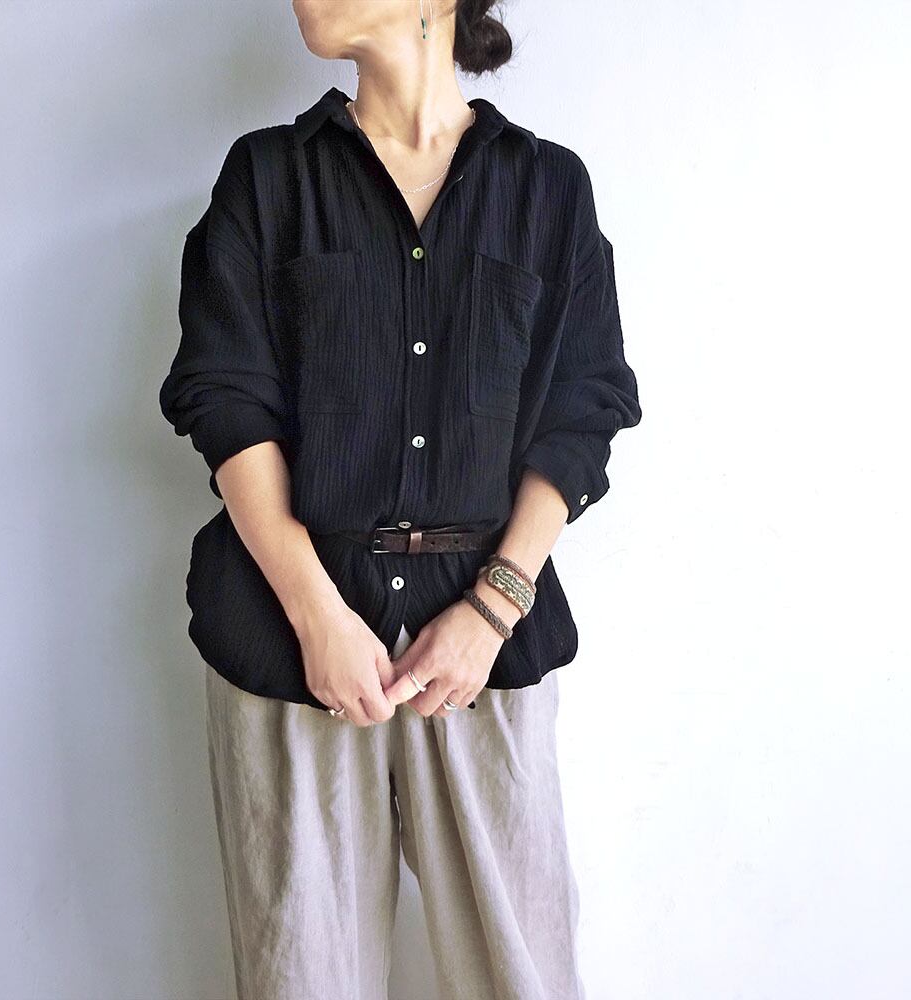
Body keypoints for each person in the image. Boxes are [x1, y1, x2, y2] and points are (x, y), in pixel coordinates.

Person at [158, 2, 642, 998]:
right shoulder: (269, 179)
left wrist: (492, 608)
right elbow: (226, 402)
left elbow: (582, 412)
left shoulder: (545, 188)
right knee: (303, 978)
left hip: (484, 652)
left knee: (521, 975)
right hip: (286, 641)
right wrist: (316, 615)